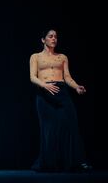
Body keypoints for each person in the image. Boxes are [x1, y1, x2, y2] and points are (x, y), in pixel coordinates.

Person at [29, 29, 91, 172]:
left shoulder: (62, 57)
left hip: (61, 92)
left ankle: (75, 162)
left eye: (56, 36)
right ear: (43, 40)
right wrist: (44, 85)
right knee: (49, 129)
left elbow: (67, 77)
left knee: (70, 125)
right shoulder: (35, 57)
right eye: (50, 36)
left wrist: (76, 87)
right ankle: (50, 163)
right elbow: (32, 77)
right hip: (44, 93)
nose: (54, 39)